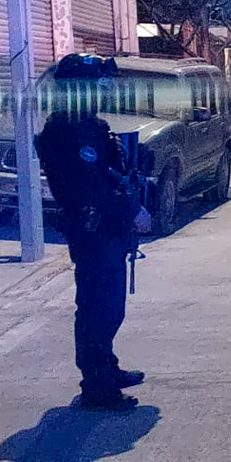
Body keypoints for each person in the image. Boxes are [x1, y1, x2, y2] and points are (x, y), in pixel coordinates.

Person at [35, 54, 152, 411]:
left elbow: (111, 174)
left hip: (107, 232)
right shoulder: (65, 132)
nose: (102, 95)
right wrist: (132, 210)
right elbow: (91, 188)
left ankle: (106, 369)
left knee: (110, 307)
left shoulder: (89, 126)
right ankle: (97, 387)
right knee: (97, 308)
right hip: (92, 230)